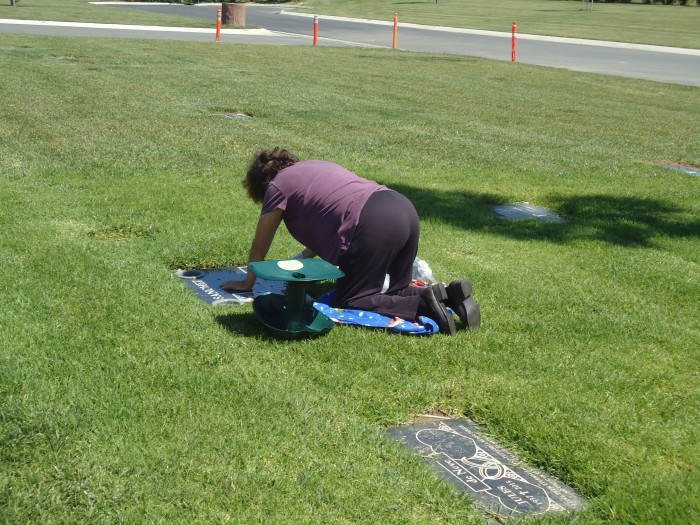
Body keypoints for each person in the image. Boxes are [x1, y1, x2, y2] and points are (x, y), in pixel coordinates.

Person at [222, 148, 480, 335]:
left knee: (351, 300)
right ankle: (449, 295)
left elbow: (260, 245)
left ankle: (425, 304)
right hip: (401, 208)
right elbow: (330, 219)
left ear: (260, 185)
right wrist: (300, 261)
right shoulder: (316, 166)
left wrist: (247, 283)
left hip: (372, 223)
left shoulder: (277, 187)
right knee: (394, 291)